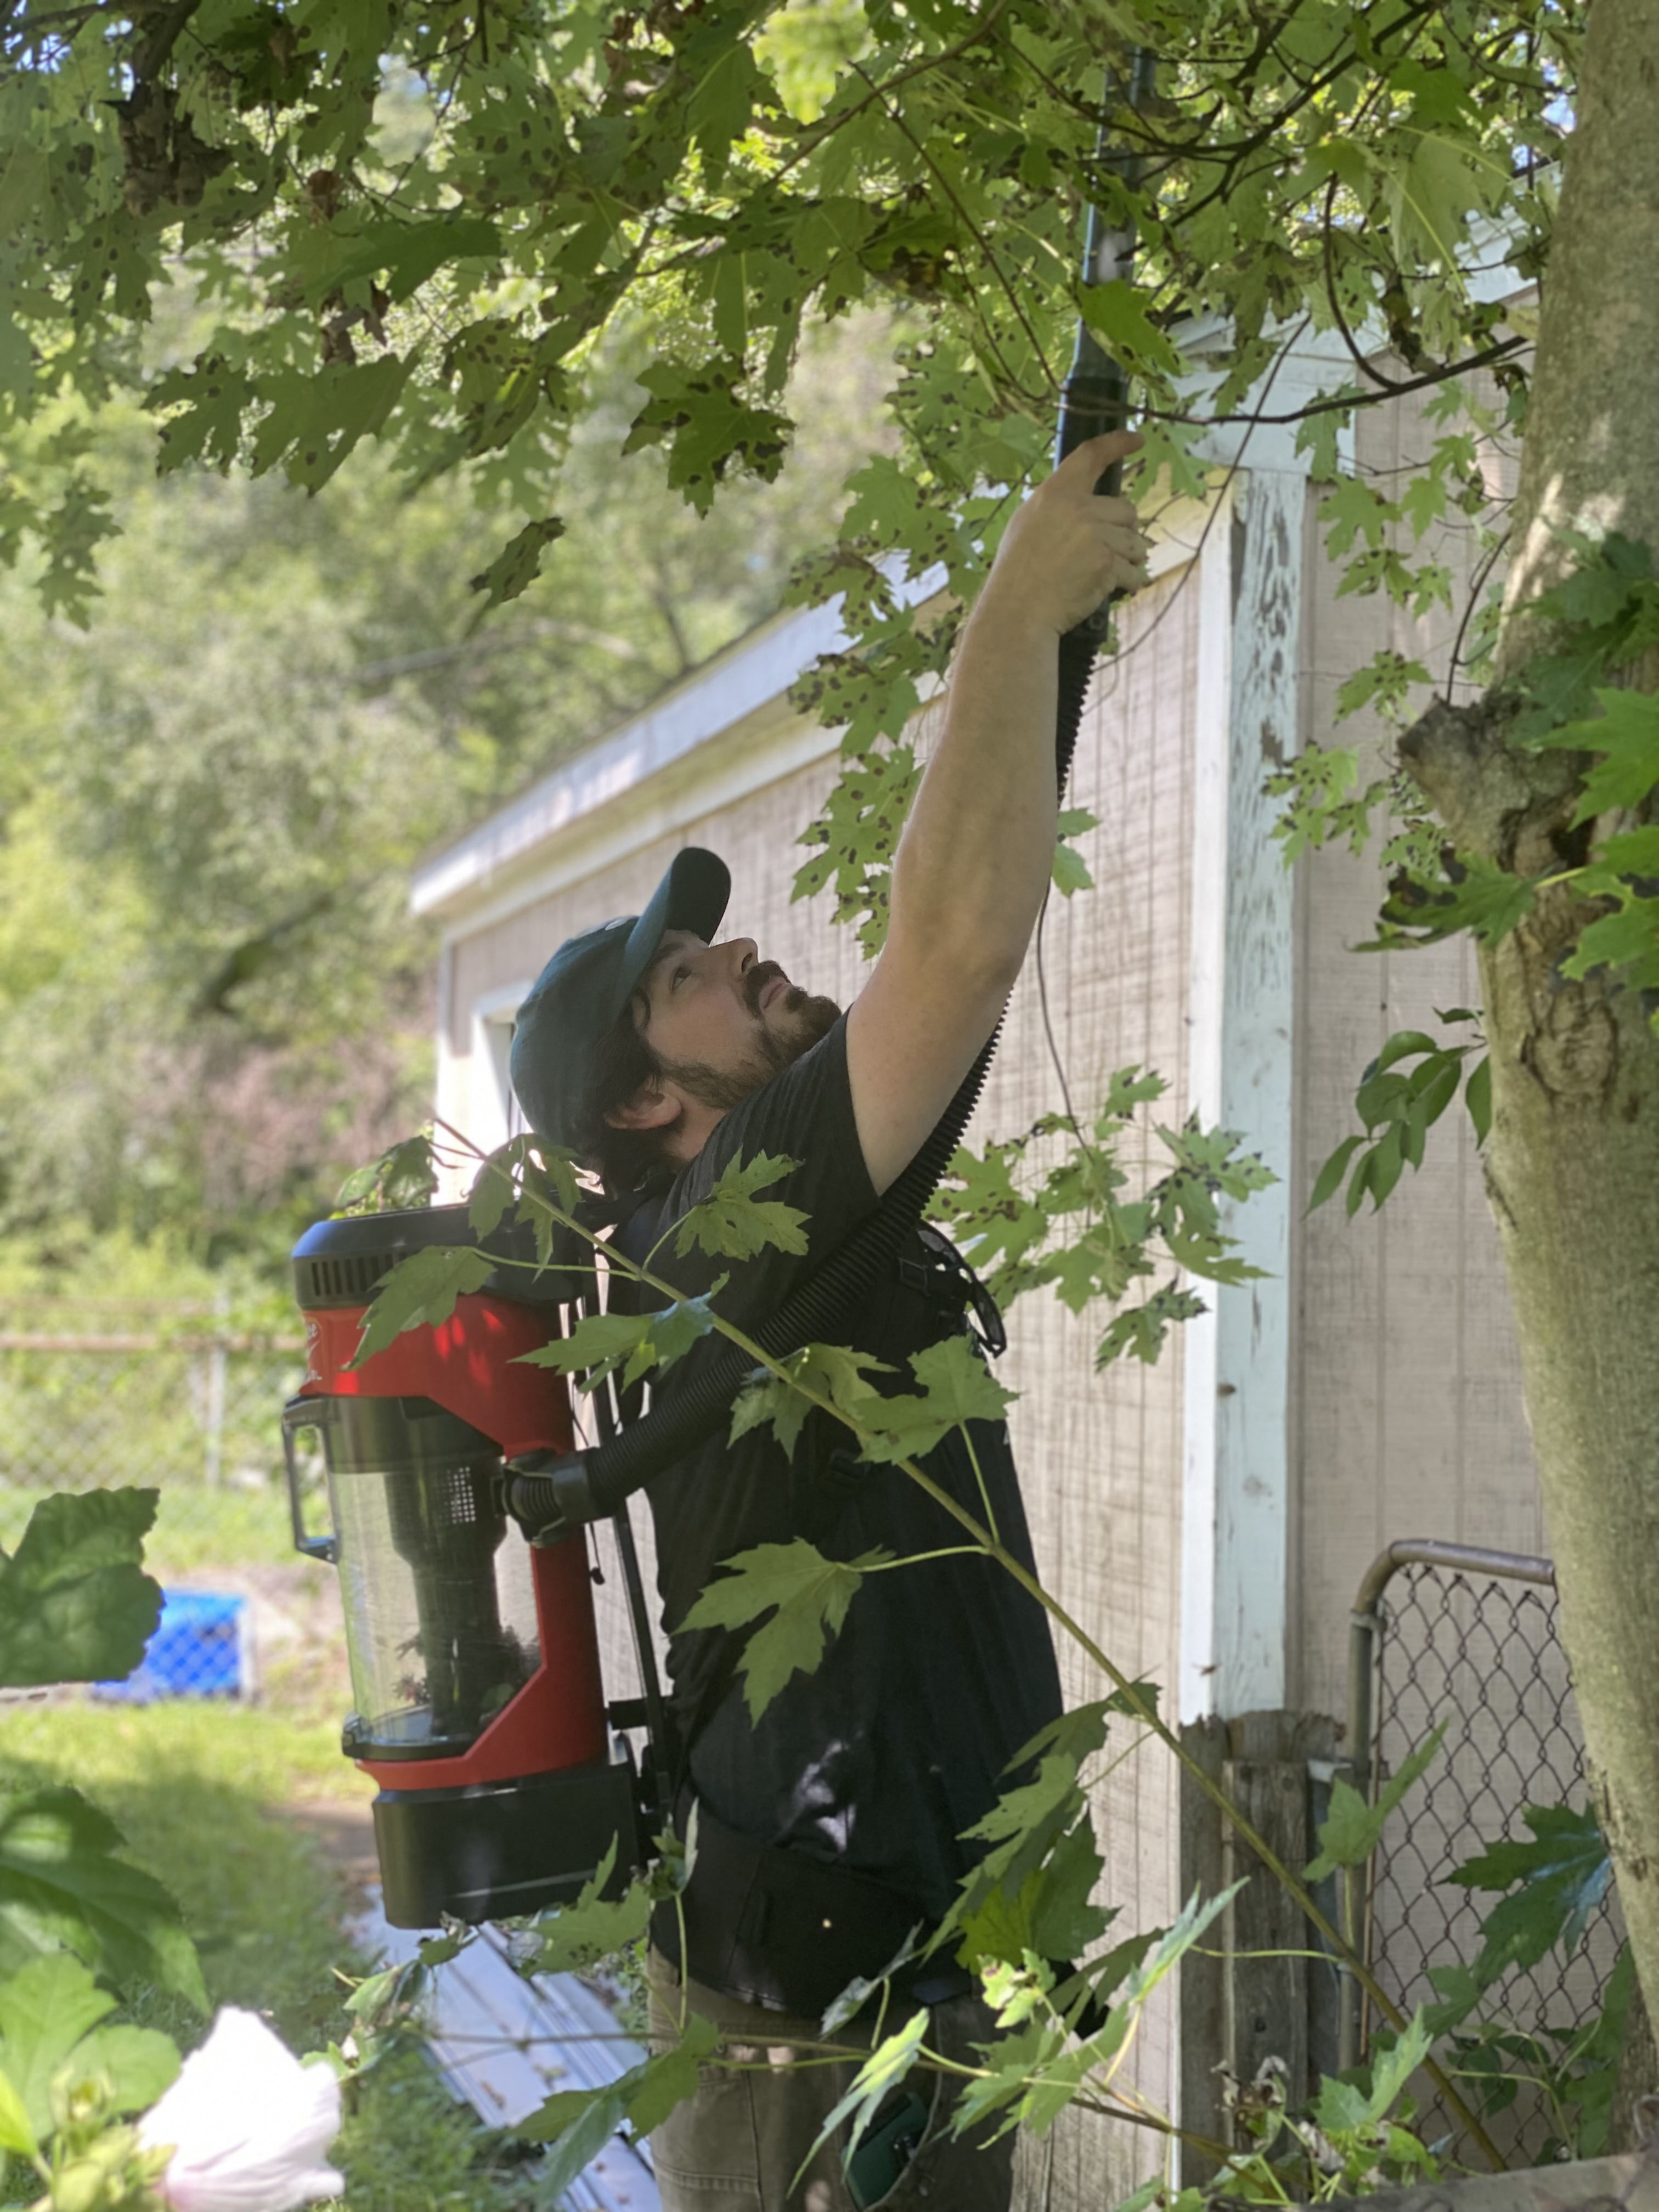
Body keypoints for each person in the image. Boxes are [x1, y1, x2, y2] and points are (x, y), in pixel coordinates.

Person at [507, 429, 1150, 2210]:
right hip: (821, 1966)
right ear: (646, 1105)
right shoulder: (726, 1224)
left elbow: (959, 951)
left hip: (901, 1936)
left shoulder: (749, 1223)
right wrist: (1012, 609)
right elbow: (953, 941)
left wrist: (1037, 643)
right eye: (683, 980)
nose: (739, 961)